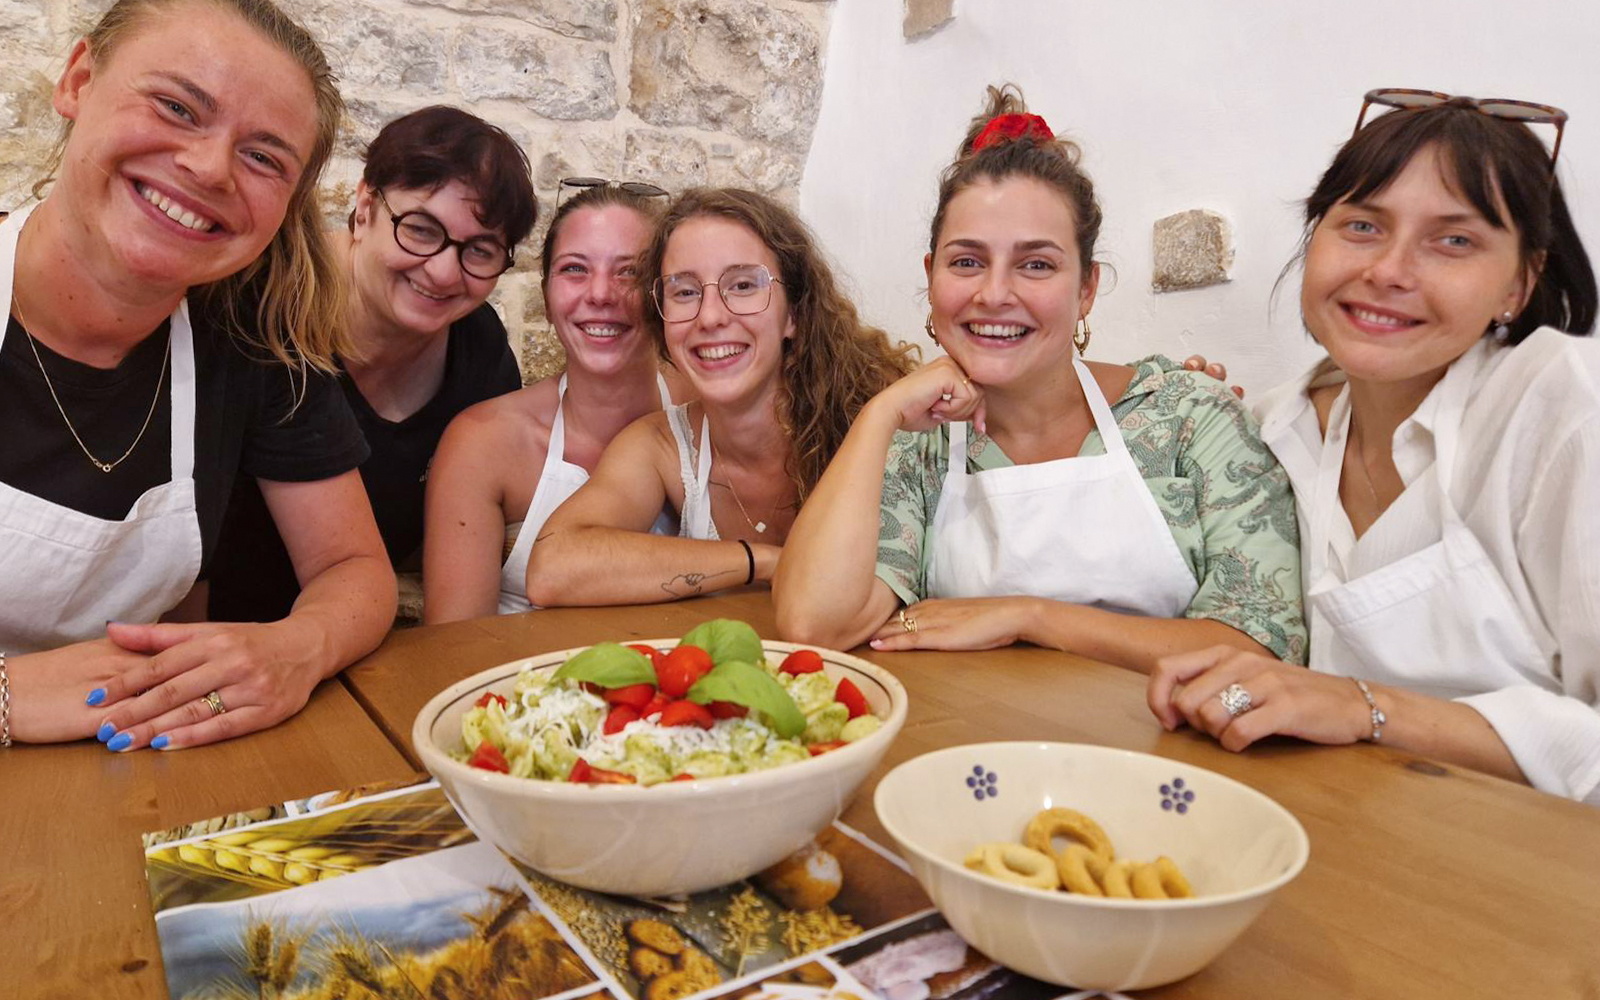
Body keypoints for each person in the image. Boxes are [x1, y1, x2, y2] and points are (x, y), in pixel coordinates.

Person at [1146, 89, 1600, 805]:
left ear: (1520, 281)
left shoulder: (1563, 408)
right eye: (1362, 225)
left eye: (1454, 240)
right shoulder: (1270, 429)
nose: (1388, 270)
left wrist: (1364, 707)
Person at [773, 85, 1305, 673]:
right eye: (967, 261)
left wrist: (1029, 617)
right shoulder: (916, 444)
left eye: (1036, 265)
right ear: (932, 278)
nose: (994, 294)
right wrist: (879, 418)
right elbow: (812, 624)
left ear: (1086, 289)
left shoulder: (1189, 417)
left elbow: (1260, 642)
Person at [0, 0, 396, 751]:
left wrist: (294, 648)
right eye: (177, 107)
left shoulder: (254, 342)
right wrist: (8, 696)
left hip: (126, 779)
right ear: (79, 81)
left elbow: (354, 569)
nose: (209, 168)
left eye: (263, 157)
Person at [207, 106, 536, 622]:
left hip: (365, 651)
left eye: (481, 250)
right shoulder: (258, 315)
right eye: (422, 230)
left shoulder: (480, 351)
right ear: (364, 208)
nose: (446, 272)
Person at [522, 187, 918, 606]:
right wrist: (763, 561)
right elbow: (551, 569)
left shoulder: (882, 416)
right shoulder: (662, 445)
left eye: (743, 285)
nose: (710, 317)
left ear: (795, 314)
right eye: (685, 291)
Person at [422, 180, 683, 621]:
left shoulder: (710, 413)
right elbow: (452, 650)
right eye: (575, 269)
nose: (600, 294)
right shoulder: (483, 443)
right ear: (546, 296)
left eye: (630, 272)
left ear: (664, 295)